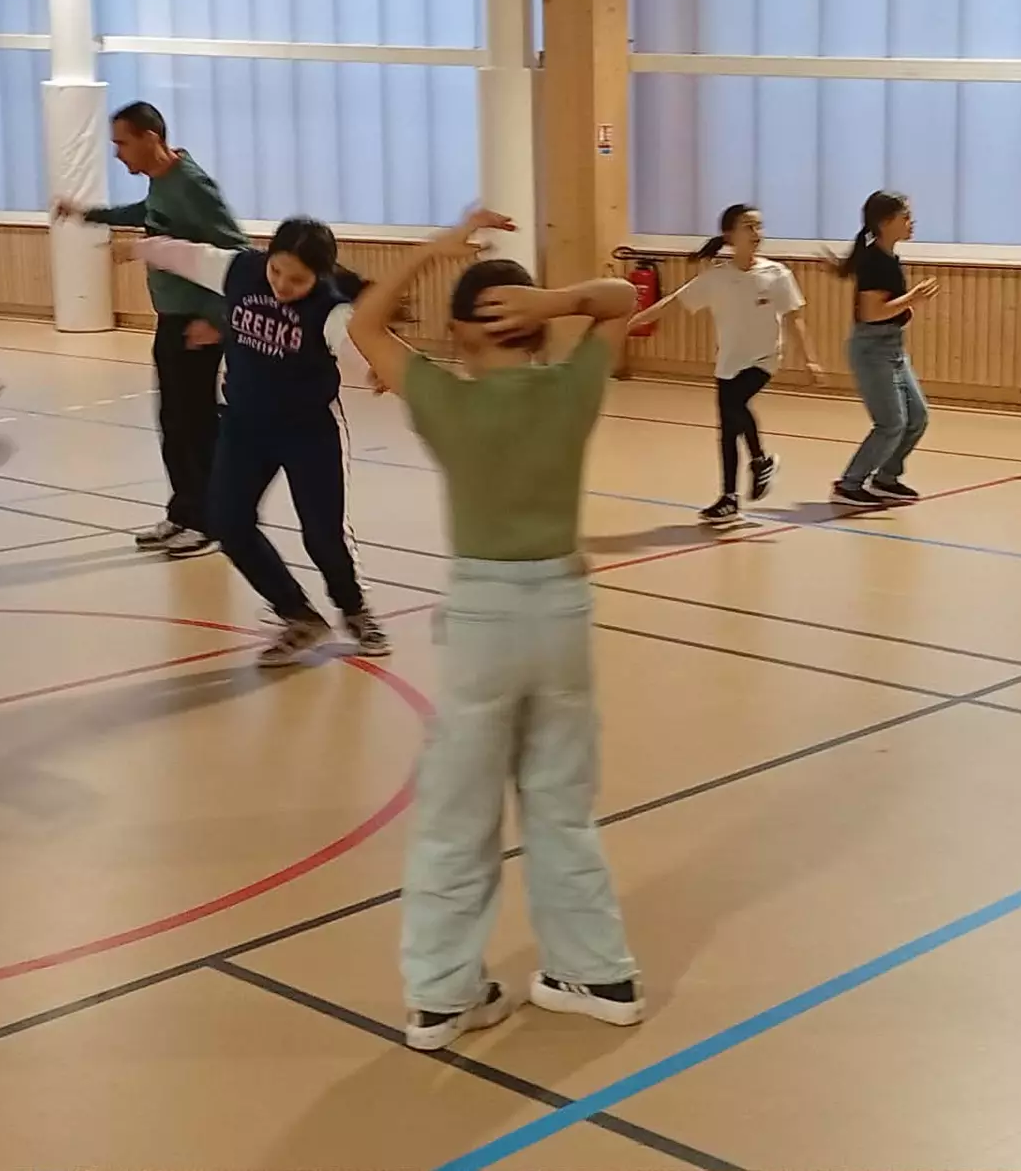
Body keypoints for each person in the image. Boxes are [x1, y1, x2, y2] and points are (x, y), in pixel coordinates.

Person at [347, 208, 644, 1052]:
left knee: (457, 811)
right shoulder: (568, 389)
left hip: (481, 620)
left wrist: (434, 251)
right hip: (561, 611)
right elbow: (623, 299)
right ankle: (597, 973)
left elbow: (364, 323)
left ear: (459, 332)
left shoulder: (443, 399)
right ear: (529, 323)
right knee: (561, 802)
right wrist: (555, 301)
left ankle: (444, 995)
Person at [128, 219, 388, 666]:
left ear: (320, 276)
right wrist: (140, 248)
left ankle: (354, 608)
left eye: (298, 280)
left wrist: (382, 366)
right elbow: (185, 254)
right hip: (244, 426)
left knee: (322, 537)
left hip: (308, 432)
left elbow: (364, 343)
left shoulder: (331, 310)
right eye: (277, 272)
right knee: (229, 524)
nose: (283, 285)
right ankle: (297, 615)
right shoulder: (240, 271)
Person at [54, 102, 248, 558]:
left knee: (196, 424)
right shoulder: (162, 184)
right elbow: (146, 211)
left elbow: (238, 253)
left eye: (122, 143)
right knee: (174, 421)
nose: (119, 154)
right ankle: (184, 512)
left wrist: (216, 320)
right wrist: (90, 214)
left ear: (149, 137)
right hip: (172, 320)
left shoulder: (193, 186)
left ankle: (210, 522)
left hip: (197, 324)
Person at [628, 204, 823, 529]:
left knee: (735, 404)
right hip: (728, 361)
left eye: (759, 226)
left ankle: (760, 461)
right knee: (727, 431)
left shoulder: (776, 275)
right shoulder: (716, 278)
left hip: (763, 359)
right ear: (730, 235)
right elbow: (673, 302)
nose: (757, 233)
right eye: (748, 227)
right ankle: (729, 498)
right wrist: (633, 321)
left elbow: (795, 319)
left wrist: (810, 358)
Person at [830, 190, 939, 507]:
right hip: (872, 350)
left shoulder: (888, 256)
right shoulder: (875, 261)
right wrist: (912, 299)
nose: (911, 222)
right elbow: (871, 312)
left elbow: (886, 308)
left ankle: (886, 478)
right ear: (885, 222)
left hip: (892, 348)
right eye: (906, 216)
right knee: (891, 423)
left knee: (917, 417)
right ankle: (849, 484)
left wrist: (904, 311)